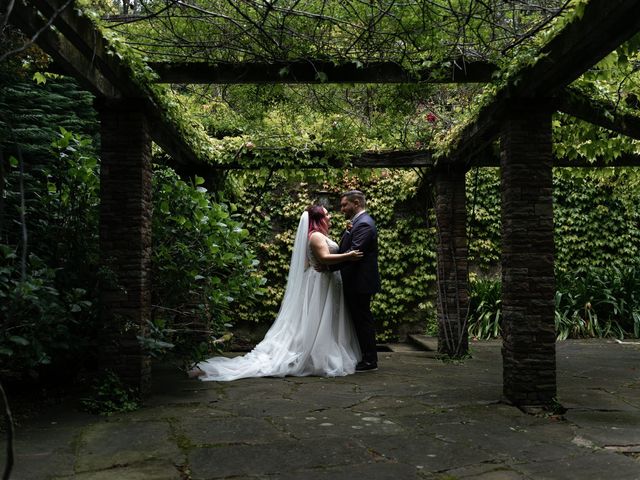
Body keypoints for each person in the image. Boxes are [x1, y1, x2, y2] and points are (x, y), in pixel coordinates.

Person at [190, 205, 363, 381]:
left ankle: (321, 350)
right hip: (320, 282)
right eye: (327, 214)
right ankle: (314, 353)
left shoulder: (320, 235)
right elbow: (325, 258)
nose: (330, 217)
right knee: (318, 319)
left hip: (325, 280)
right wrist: (348, 257)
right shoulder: (316, 236)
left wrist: (346, 235)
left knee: (324, 320)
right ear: (318, 219)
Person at [334, 190, 381, 372]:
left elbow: (354, 254)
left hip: (360, 282)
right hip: (355, 281)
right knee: (359, 320)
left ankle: (370, 361)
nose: (342, 208)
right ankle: (364, 357)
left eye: (345, 205)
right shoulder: (357, 223)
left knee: (363, 320)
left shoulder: (364, 225)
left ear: (356, 203)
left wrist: (329, 267)